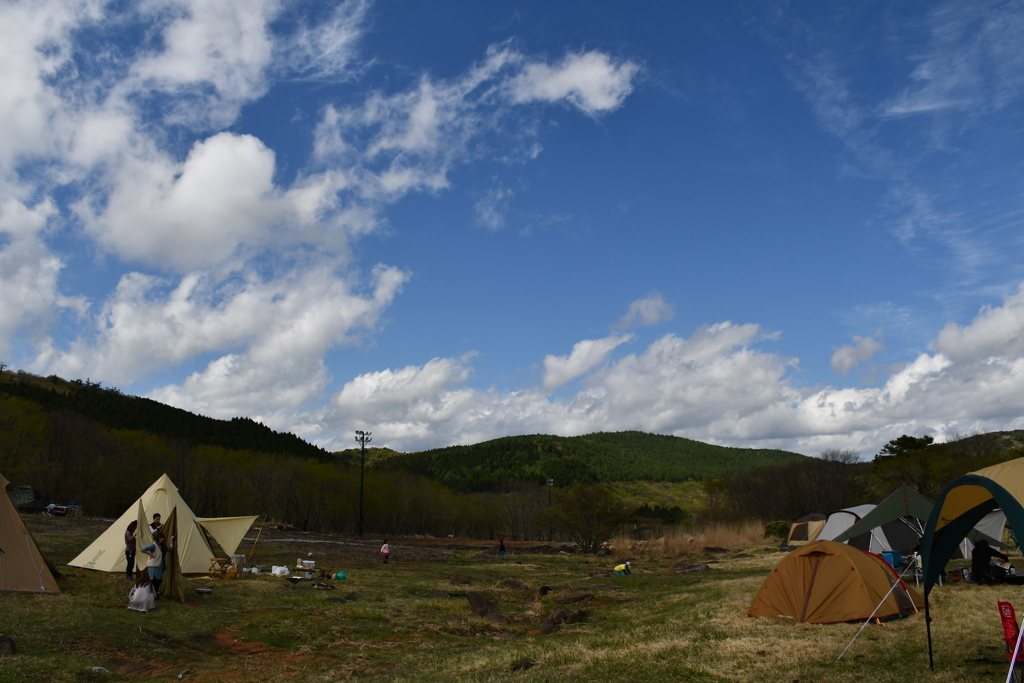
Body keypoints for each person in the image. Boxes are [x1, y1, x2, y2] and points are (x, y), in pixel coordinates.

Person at [141, 530, 174, 598]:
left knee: (158, 581)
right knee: (154, 581)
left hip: (159, 565)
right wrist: (151, 554)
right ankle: (152, 594)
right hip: (153, 566)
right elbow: (143, 549)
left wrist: (171, 541)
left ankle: (154, 594)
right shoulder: (154, 545)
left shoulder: (161, 546)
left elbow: (170, 549)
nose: (161, 539)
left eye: (162, 538)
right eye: (160, 538)